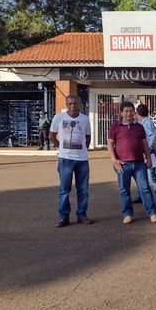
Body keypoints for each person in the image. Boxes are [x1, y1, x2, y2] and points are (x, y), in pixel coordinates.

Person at [108, 101, 156, 224]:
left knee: (145, 188)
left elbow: (144, 143)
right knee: (124, 189)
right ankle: (127, 214)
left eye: (131, 111)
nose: (128, 113)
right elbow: (110, 143)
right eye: (126, 111)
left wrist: (148, 159)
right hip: (123, 164)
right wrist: (114, 160)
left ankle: (152, 213)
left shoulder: (139, 127)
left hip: (139, 163)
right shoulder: (115, 126)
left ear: (134, 112)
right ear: (121, 113)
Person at [49, 95, 92, 227]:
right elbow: (52, 135)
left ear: (79, 104)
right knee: (64, 189)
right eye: (70, 104)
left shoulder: (85, 119)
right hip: (65, 159)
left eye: (75, 103)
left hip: (82, 160)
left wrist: (82, 150)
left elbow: (88, 137)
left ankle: (82, 215)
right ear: (67, 105)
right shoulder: (59, 118)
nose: (73, 106)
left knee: (83, 189)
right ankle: (64, 217)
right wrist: (61, 146)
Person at [135, 104, 156, 210]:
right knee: (142, 177)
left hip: (150, 154)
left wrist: (147, 149)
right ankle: (140, 196)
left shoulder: (146, 123)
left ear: (137, 113)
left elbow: (152, 137)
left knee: (151, 178)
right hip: (146, 154)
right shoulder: (143, 123)